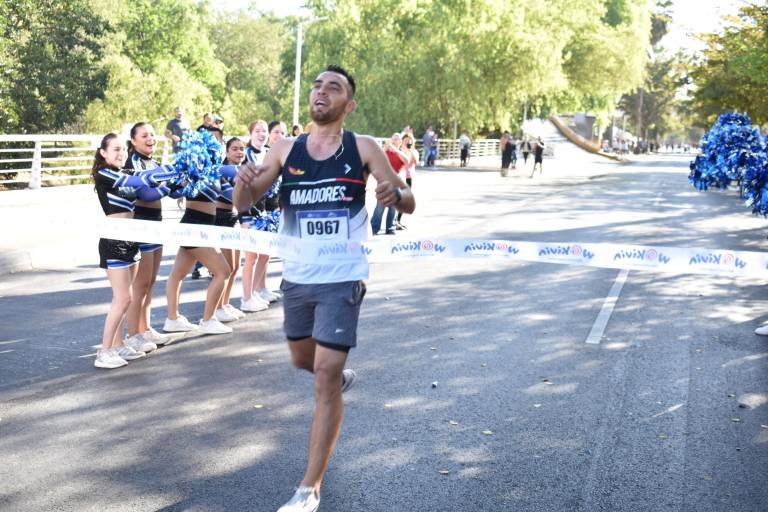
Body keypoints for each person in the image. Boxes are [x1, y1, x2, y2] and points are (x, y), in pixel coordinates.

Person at [234, 65, 415, 512]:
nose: (321, 91)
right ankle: (334, 377)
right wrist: (241, 186)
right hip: (298, 277)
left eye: (333, 87)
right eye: (317, 85)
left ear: (348, 105)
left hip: (343, 276)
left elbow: (407, 199)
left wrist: (395, 196)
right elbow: (246, 202)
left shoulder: (363, 147)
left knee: (325, 376)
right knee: (303, 359)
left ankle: (308, 489)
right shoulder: (286, 148)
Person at [91, 133, 178, 368]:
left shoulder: (125, 173)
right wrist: (173, 169)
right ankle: (104, 352)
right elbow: (143, 180)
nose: (121, 153)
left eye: (122, 149)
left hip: (132, 241)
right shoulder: (104, 174)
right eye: (115, 149)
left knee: (126, 299)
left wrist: (175, 182)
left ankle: (118, 345)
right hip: (114, 242)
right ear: (103, 153)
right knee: (123, 298)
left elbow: (148, 190)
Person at [163, 139, 234, 335]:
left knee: (178, 274)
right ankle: (208, 319)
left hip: (203, 229)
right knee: (223, 271)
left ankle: (172, 319)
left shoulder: (216, 173)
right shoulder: (194, 173)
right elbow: (172, 189)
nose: (214, 153)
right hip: (194, 228)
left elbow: (233, 195)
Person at [124, 122, 171, 353]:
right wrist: (169, 185)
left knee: (151, 281)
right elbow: (146, 194)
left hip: (156, 223)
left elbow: (173, 186)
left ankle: (145, 328)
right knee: (140, 283)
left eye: (152, 134)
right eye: (144, 136)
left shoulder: (155, 162)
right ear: (133, 141)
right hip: (141, 225)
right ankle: (132, 334)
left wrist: (186, 178)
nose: (150, 138)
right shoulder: (132, 162)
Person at [213, 137, 247, 322]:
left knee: (234, 267)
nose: (239, 152)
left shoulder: (241, 171)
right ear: (226, 152)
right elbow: (232, 196)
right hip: (221, 218)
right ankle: (217, 308)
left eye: (241, 149)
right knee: (224, 268)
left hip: (234, 219)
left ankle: (224, 304)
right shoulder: (222, 171)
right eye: (235, 149)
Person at [239, 120, 271, 313]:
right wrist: (244, 218)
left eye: (264, 131)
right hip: (249, 213)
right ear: (251, 133)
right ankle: (246, 298)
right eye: (257, 131)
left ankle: (254, 292)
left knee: (262, 254)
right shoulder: (246, 155)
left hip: (264, 211)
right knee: (250, 257)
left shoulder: (268, 154)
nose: (261, 134)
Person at [371, 133, 408, 234]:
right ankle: (374, 228)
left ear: (400, 142)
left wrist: (395, 150)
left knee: (393, 207)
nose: (394, 141)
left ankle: (390, 228)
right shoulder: (385, 151)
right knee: (380, 207)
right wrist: (385, 148)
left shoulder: (401, 152)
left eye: (397, 139)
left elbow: (406, 161)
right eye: (393, 139)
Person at [396, 133, 418, 230]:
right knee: (397, 199)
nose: (408, 142)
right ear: (402, 141)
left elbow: (416, 161)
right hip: (400, 176)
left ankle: (398, 220)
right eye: (406, 140)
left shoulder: (414, 151)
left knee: (404, 200)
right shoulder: (399, 150)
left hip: (409, 178)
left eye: (409, 140)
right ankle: (393, 222)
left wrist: (410, 151)